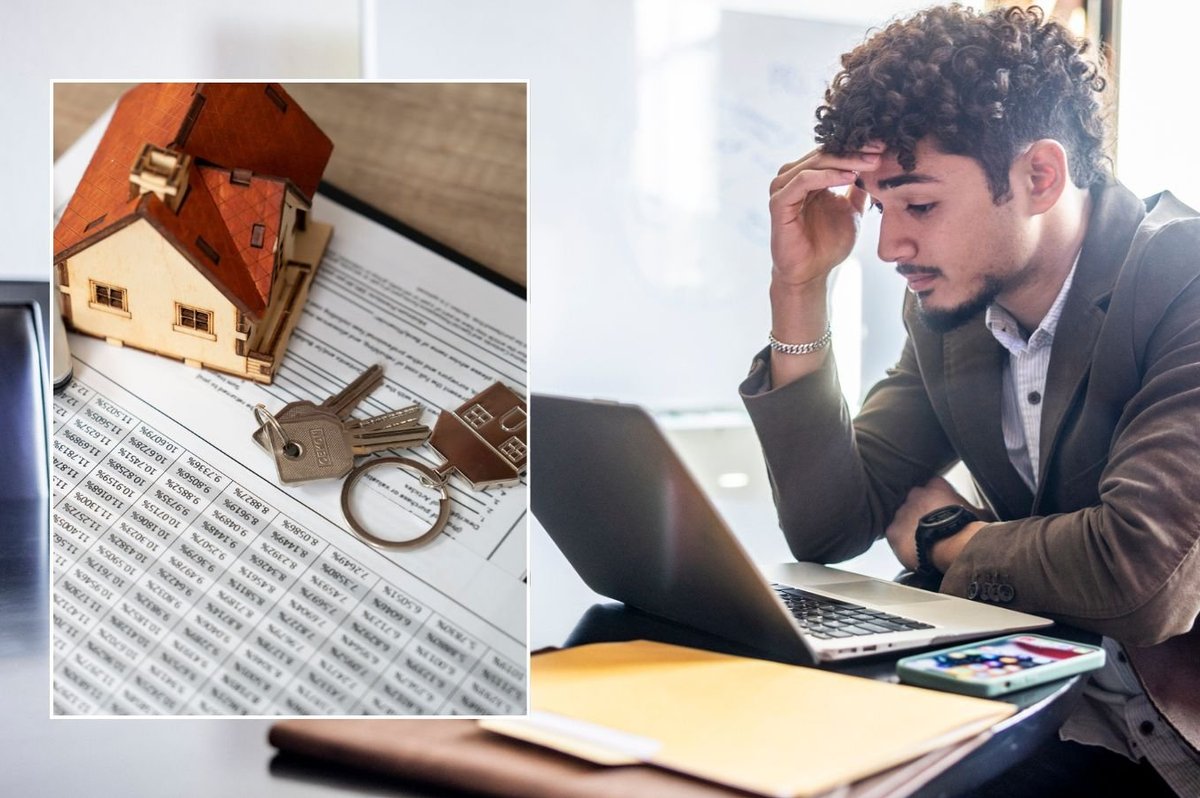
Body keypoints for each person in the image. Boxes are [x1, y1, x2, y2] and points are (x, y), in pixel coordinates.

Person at [738, 5, 1200, 796]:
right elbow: (828, 524)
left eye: (918, 205)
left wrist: (947, 539)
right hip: (1062, 720)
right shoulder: (954, 314)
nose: (889, 247)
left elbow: (1144, 578)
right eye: (880, 207)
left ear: (1040, 176)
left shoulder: (1183, 281)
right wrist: (800, 289)